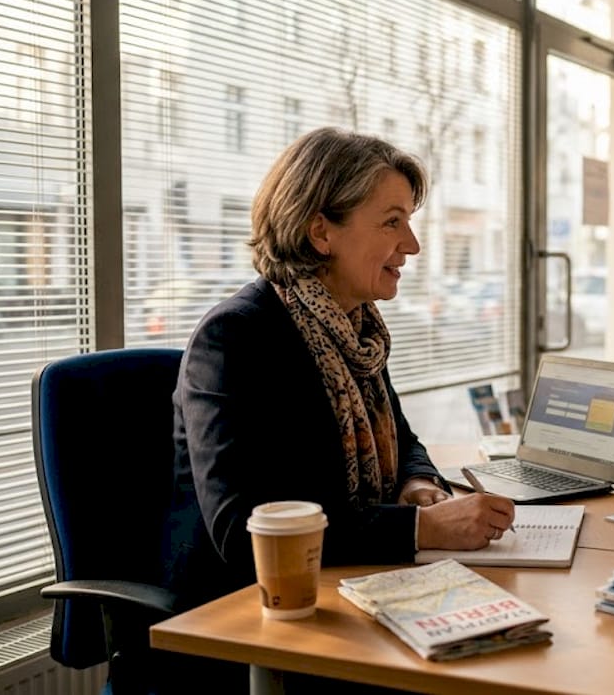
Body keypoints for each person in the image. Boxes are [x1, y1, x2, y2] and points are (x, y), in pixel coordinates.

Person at [164, 128, 515, 611]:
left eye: (408, 222)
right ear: (321, 231)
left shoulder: (356, 331)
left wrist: (419, 486)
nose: (411, 245)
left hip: (352, 585)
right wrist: (422, 530)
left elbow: (405, 442)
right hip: (246, 615)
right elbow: (242, 529)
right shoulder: (235, 338)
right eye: (392, 222)